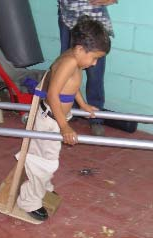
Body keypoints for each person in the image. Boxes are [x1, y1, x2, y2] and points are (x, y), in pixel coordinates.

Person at [17, 16, 111, 221]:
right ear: (80, 49)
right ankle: (29, 201)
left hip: (55, 118)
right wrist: (64, 126)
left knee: (49, 158)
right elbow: (52, 94)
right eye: (94, 58)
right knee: (43, 162)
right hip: (51, 120)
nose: (94, 64)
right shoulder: (69, 62)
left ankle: (44, 188)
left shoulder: (73, 58)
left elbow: (72, 86)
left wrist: (83, 104)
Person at [58, 0, 117, 136]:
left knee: (95, 75)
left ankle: (95, 118)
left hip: (94, 18)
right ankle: (67, 111)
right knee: (67, 71)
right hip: (69, 18)